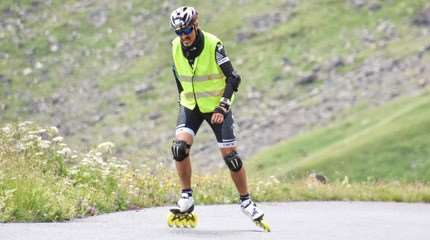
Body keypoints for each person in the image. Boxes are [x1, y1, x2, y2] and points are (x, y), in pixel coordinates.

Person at [168, 6, 266, 225]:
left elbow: (233, 78)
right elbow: (177, 74)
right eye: (179, 33)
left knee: (231, 158)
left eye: (187, 31)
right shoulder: (175, 46)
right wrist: (182, 97)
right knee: (179, 149)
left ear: (195, 26)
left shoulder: (214, 45)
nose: (184, 37)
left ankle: (246, 202)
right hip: (191, 105)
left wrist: (222, 107)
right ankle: (186, 197)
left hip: (217, 107)